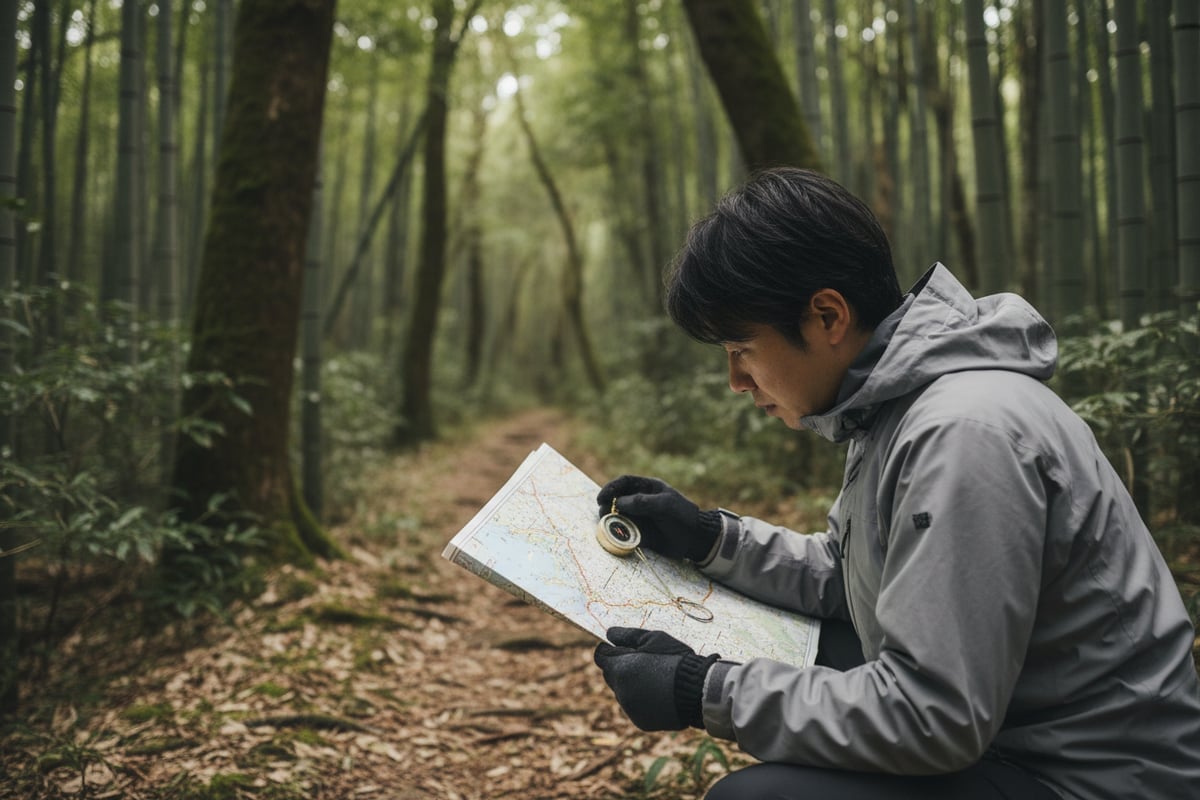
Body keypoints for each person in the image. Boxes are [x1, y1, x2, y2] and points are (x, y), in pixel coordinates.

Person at [591, 167, 1200, 799]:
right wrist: (711, 538)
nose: (736, 381)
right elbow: (854, 574)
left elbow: (933, 716)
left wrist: (703, 690)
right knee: (817, 643)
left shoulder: (962, 432)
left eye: (742, 348)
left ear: (827, 315)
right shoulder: (893, 408)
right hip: (1021, 734)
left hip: (1094, 778)